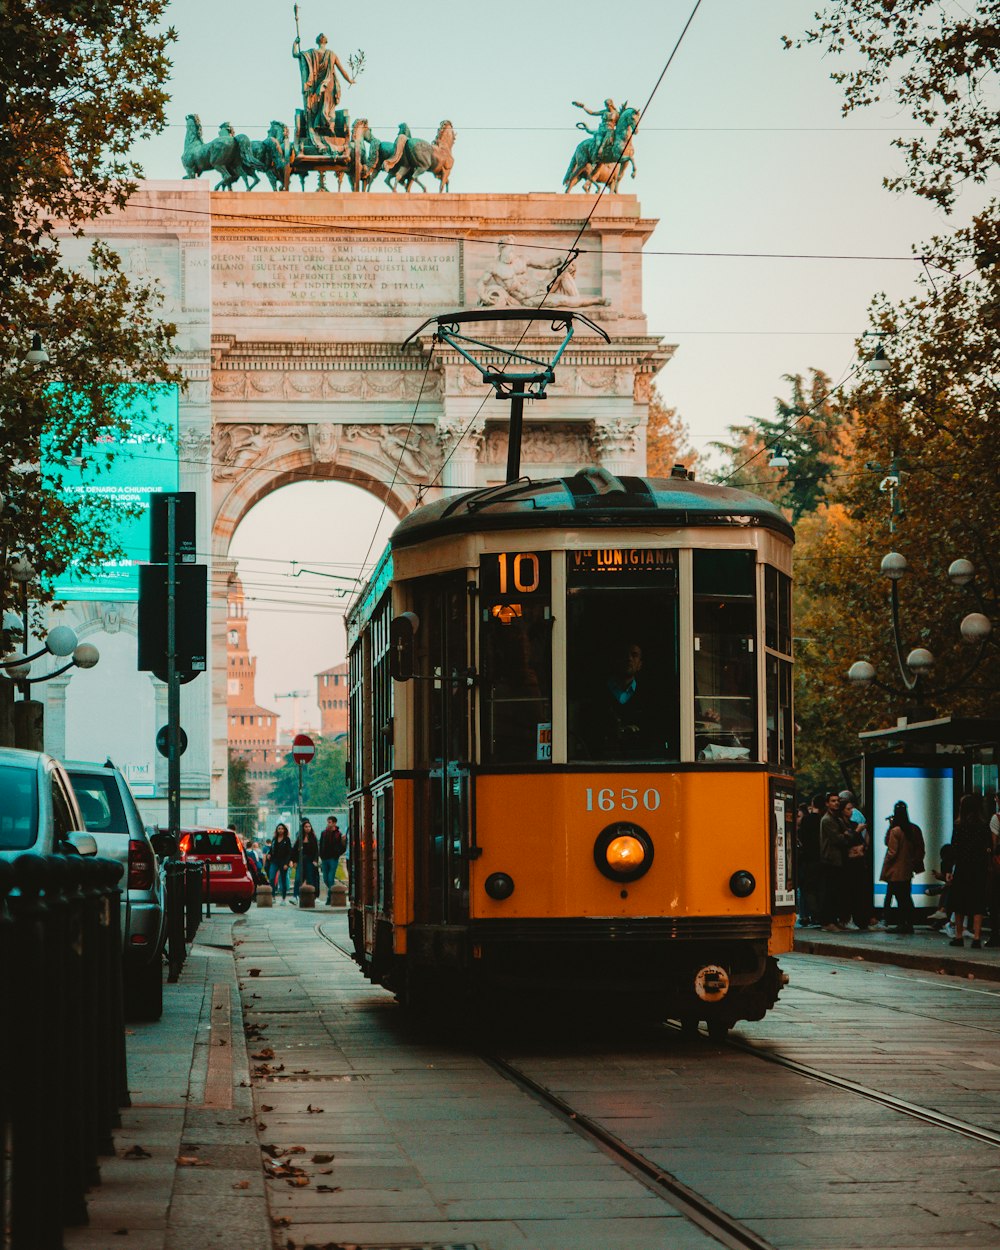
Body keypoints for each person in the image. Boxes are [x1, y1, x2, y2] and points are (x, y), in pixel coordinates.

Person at [947, 793, 992, 949]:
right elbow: (988, 848)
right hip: (978, 869)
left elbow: (954, 849)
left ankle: (959, 936)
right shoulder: (983, 826)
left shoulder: (959, 826)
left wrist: (949, 868)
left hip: (962, 868)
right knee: (977, 903)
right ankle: (977, 938)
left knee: (959, 903)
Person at [292, 32, 355, 134]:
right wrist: (349, 80)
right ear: (326, 41)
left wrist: (295, 43)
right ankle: (328, 125)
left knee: (321, 106)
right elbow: (342, 70)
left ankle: (320, 125)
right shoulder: (332, 54)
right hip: (328, 83)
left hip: (317, 84)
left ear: (317, 41)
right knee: (327, 107)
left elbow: (295, 54)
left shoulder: (311, 53)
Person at [879, 800, 925, 935]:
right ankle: (908, 923)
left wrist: (886, 866)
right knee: (906, 897)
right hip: (907, 868)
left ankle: (895, 921)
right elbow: (920, 848)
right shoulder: (914, 829)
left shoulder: (896, 830)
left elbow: (891, 850)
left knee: (896, 896)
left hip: (895, 869)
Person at [818, 791, 852, 931]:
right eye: (833, 801)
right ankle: (828, 921)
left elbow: (846, 833)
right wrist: (845, 835)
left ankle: (834, 919)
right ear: (827, 804)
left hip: (837, 860)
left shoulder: (836, 818)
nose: (836, 803)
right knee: (830, 892)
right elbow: (838, 838)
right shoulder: (827, 820)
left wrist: (845, 834)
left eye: (837, 800)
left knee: (836, 892)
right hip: (830, 860)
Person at [841, 795, 873, 929]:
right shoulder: (849, 825)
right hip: (850, 862)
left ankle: (856, 918)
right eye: (848, 809)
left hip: (855, 861)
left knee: (856, 891)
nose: (851, 812)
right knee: (852, 891)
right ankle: (852, 918)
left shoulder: (851, 823)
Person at [796, 794, 823, 927]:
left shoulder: (807, 821)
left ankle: (814, 914)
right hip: (822, 858)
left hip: (810, 859)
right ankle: (816, 914)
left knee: (808, 889)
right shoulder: (823, 819)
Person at [572, 97, 619, 161]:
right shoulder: (604, 112)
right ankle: (594, 158)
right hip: (601, 130)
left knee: (608, 141)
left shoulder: (616, 114)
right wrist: (583, 107)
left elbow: (620, 123)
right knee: (597, 143)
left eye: (607, 105)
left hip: (610, 131)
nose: (607, 106)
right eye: (606, 105)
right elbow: (592, 113)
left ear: (611, 104)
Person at [319, 815, 347, 906]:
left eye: (330, 822)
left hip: (333, 858)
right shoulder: (324, 833)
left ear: (334, 823)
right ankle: (333, 893)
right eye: (328, 822)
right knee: (325, 879)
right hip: (324, 858)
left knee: (331, 878)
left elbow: (343, 846)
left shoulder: (338, 834)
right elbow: (321, 844)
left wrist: (337, 853)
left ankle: (330, 897)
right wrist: (321, 855)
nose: (328, 824)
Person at [292, 818, 320, 902]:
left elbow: (316, 850)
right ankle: (295, 896)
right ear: (303, 828)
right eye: (306, 827)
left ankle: (313, 896)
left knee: (310, 878)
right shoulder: (300, 838)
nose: (308, 828)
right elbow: (294, 850)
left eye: (309, 826)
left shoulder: (313, 838)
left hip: (310, 861)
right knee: (297, 878)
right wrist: (294, 861)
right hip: (301, 860)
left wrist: (315, 860)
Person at [266, 823, 293, 902]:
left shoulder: (286, 839)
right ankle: (273, 896)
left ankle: (283, 898)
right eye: (279, 828)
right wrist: (269, 854)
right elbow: (271, 849)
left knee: (283, 879)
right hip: (274, 861)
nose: (280, 830)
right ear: (277, 830)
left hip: (283, 861)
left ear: (284, 830)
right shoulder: (274, 839)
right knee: (271, 878)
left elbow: (289, 852)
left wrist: (286, 863)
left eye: (282, 828)